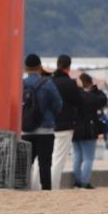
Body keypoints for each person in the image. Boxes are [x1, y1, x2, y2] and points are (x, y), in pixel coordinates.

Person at [21, 53, 63, 191]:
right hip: (45, 130)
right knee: (45, 163)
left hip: (26, 130)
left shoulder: (21, 84)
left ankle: (24, 188)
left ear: (25, 68)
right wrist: (50, 116)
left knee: (26, 163)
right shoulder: (47, 83)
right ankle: (46, 190)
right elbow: (58, 104)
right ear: (40, 67)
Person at [51, 54, 82, 191]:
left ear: (57, 64)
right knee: (58, 159)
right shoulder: (70, 84)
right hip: (65, 124)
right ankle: (53, 187)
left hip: (48, 124)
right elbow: (79, 102)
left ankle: (38, 185)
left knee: (43, 158)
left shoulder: (49, 81)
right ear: (68, 67)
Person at [72, 72, 107, 188]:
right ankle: (85, 182)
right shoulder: (90, 97)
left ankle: (77, 181)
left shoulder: (74, 95)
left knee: (77, 156)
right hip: (88, 129)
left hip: (75, 128)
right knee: (88, 157)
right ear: (90, 84)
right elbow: (103, 100)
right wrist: (96, 89)